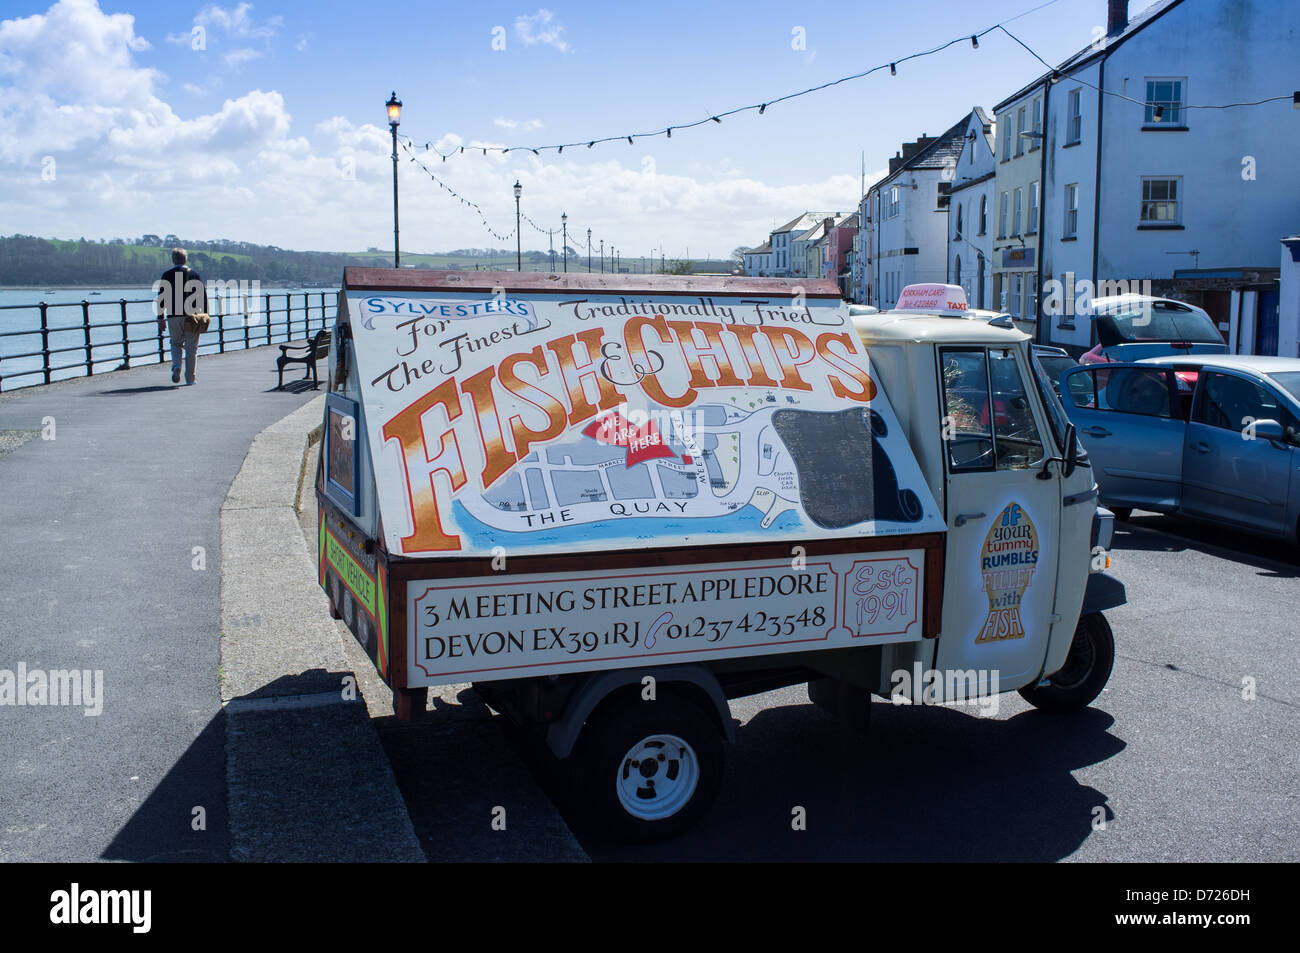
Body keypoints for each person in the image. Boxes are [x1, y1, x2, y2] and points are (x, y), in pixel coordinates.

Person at [155, 248, 208, 385]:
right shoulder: (194, 274)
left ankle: (177, 365)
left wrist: (160, 317)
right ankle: (190, 378)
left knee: (175, 343)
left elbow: (161, 297)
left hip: (173, 315)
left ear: (173, 260)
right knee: (191, 348)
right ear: (186, 259)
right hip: (191, 316)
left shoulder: (166, 275)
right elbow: (203, 295)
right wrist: (206, 313)